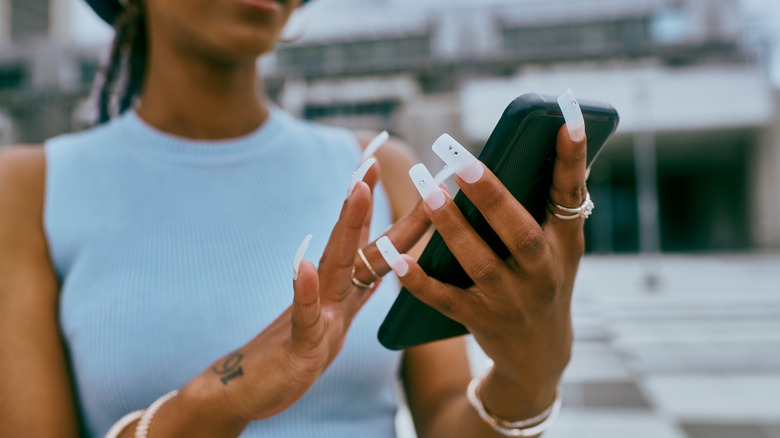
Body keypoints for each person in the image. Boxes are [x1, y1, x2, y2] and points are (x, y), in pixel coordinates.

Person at [0, 0, 594, 437]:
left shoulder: (379, 169)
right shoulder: (29, 189)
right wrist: (219, 398)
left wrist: (528, 377)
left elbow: (447, 419)